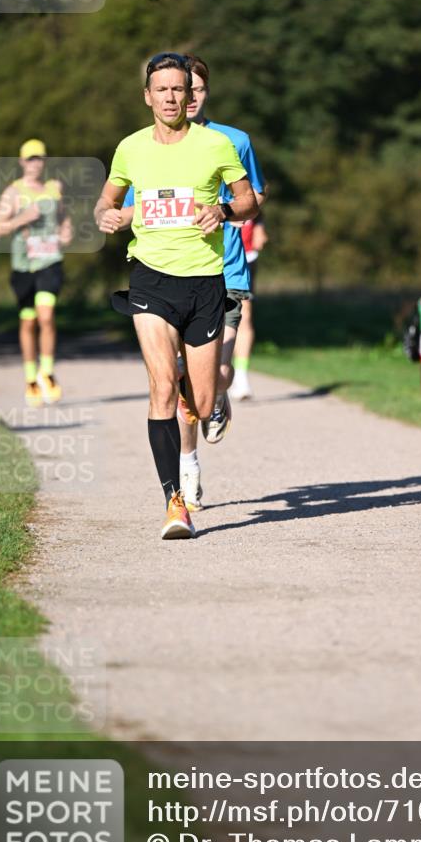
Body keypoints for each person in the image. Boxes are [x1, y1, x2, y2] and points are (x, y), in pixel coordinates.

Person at [94, 52, 258, 540]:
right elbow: (108, 199)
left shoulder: (217, 145)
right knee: (162, 387)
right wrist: (105, 214)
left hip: (205, 281)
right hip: (150, 279)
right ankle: (174, 502)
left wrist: (223, 211)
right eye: (161, 89)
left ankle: (205, 398)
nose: (170, 97)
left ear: (190, 95)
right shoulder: (130, 148)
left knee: (201, 404)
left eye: (178, 89)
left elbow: (248, 200)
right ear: (148, 97)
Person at [0, 139, 72, 405]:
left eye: (39, 159)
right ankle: (30, 379)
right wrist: (22, 219)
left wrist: (65, 232)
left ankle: (47, 373)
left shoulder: (53, 189)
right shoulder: (13, 193)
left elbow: (63, 218)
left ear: (44, 162)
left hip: (50, 261)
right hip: (24, 266)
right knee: (28, 321)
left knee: (46, 316)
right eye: (30, 159)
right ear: (22, 162)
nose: (35, 164)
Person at [229, 214, 270, 401]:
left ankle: (241, 377)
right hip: (211, 255)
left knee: (243, 317)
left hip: (244, 256)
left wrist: (259, 224)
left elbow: (256, 199)